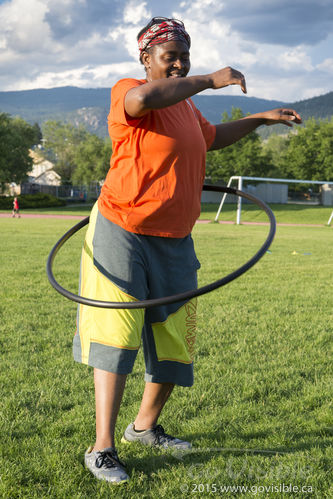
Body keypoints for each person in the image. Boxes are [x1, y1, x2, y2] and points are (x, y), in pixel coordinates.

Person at [73, 17, 302, 484]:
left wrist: (260, 119)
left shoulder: (186, 107)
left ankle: (145, 428)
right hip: (123, 227)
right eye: (168, 56)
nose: (178, 63)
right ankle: (102, 448)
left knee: (176, 340)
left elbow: (211, 138)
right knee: (118, 334)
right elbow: (141, 101)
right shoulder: (129, 90)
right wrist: (211, 79)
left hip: (176, 237)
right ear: (146, 59)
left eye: (184, 56)